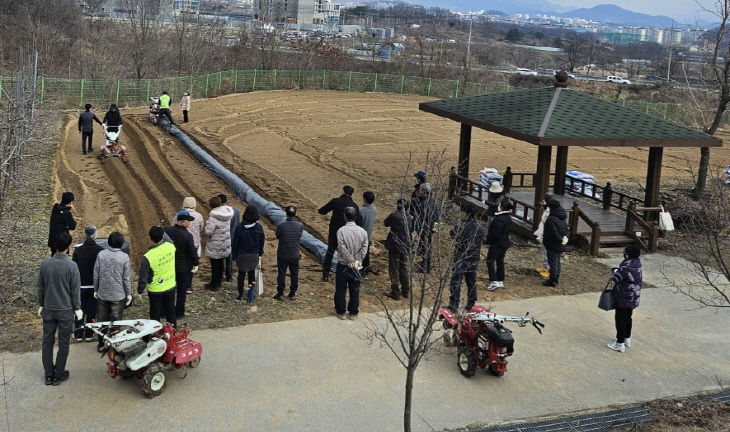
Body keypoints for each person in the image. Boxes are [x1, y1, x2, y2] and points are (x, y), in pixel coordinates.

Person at [38, 233, 82, 386]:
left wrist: (41, 304)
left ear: (55, 246)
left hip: (49, 309)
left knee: (47, 342)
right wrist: (77, 308)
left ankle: (48, 375)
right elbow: (75, 291)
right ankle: (59, 375)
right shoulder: (72, 266)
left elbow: (41, 287)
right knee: (63, 343)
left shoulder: (45, 264)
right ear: (68, 247)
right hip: (65, 311)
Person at [93, 231, 132, 351]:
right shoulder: (124, 257)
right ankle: (114, 345)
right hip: (118, 295)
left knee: (102, 320)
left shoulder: (101, 254)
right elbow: (126, 278)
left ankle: (101, 344)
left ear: (108, 242)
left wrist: (96, 289)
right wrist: (129, 293)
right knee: (116, 321)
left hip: (103, 293)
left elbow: (96, 274)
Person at [318, 185, 360, 282]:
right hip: (347, 233)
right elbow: (359, 221)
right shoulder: (354, 206)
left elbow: (322, 211)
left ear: (343, 191)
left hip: (334, 231)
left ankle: (325, 274)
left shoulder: (335, 201)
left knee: (330, 252)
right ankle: (357, 272)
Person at [447, 205, 485, 311]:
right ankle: (471, 303)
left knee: (456, 282)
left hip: (461, 258)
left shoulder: (461, 227)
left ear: (467, 214)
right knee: (471, 282)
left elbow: (453, 234)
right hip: (474, 258)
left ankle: (454, 304)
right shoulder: (480, 228)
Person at [138, 226, 177, 327]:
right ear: (162, 237)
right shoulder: (171, 247)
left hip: (155, 290)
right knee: (170, 311)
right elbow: (169, 239)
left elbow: (143, 276)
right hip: (170, 286)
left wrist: (140, 290)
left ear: (150, 238)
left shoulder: (148, 256)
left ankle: (155, 335)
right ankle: (173, 332)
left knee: (155, 314)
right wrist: (161, 230)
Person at [334, 207, 368, 320]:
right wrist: (357, 261)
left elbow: (342, 249)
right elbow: (364, 248)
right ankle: (353, 312)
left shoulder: (341, 231)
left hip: (343, 263)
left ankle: (341, 311)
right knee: (355, 289)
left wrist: (351, 261)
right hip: (357, 264)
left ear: (345, 216)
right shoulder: (363, 231)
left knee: (340, 288)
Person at [607, 245, 642, 353]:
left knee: (620, 319)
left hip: (623, 297)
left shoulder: (625, 267)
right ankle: (627, 339)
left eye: (625, 251)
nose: (623, 253)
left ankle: (619, 343)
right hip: (633, 297)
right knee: (628, 318)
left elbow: (615, 279)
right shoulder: (637, 264)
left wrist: (607, 290)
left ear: (628, 254)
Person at [164, 211, 199, 318]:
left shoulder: (166, 230)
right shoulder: (187, 235)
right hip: (183, 267)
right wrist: (196, 263)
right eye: (188, 221)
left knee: (168, 289)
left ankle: (165, 311)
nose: (190, 223)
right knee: (181, 290)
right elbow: (192, 252)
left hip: (169, 265)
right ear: (183, 222)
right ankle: (179, 313)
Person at [72, 225, 104, 342]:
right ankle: (90, 334)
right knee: (92, 311)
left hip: (80, 285)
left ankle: (78, 334)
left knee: (80, 310)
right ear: (95, 235)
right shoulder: (100, 251)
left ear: (84, 235)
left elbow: (74, 268)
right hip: (94, 286)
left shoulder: (78, 250)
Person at [232, 206, 265, 304]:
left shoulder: (239, 227)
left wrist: (234, 255)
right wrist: (260, 252)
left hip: (242, 255)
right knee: (251, 274)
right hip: (253, 255)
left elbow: (235, 243)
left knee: (241, 275)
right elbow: (261, 241)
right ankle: (251, 295)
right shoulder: (258, 227)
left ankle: (240, 294)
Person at [383, 199, 413, 301]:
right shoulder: (410, 217)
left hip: (395, 245)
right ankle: (405, 291)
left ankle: (395, 292)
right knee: (403, 268)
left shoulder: (394, 215)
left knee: (394, 269)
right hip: (405, 245)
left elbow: (385, 223)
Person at [274, 205, 303, 301]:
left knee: (281, 273)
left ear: (286, 213)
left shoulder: (281, 226)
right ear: (295, 214)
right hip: (294, 253)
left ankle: (280, 293)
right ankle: (292, 293)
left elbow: (278, 236)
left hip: (283, 253)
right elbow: (299, 236)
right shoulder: (300, 225)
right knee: (294, 274)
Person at [204, 196, 233, 291]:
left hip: (215, 245)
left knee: (215, 265)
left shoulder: (213, 217)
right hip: (224, 243)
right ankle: (219, 281)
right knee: (220, 264)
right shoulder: (227, 213)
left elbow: (208, 232)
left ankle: (214, 284)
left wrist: (207, 225)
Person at [541, 195, 570, 287]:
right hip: (561, 243)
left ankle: (553, 280)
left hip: (553, 243)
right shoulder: (562, 217)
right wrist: (564, 238)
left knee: (553, 262)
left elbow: (553, 232)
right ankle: (555, 277)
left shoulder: (551, 219)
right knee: (557, 261)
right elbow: (565, 229)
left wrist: (559, 239)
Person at [485, 201, 513, 291]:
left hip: (497, 243)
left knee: (490, 261)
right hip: (504, 242)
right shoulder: (508, 217)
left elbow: (495, 233)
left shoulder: (499, 219)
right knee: (500, 260)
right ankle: (500, 280)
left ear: (502, 207)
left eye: (499, 205)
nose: (498, 206)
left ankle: (494, 281)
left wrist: (487, 241)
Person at [412, 183, 438, 273]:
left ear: (424, 191)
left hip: (425, 228)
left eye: (420, 189)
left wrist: (417, 227)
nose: (419, 191)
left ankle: (426, 267)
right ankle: (425, 263)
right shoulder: (432, 201)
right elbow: (436, 215)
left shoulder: (423, 203)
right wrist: (435, 228)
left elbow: (420, 217)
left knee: (425, 247)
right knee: (426, 246)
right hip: (430, 228)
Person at [48, 192, 77, 256]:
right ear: (70, 202)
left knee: (53, 256)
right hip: (62, 241)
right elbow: (72, 226)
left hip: (53, 240)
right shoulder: (66, 212)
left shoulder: (55, 209)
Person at [218, 193, 240, 283]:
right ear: (227, 201)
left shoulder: (217, 212)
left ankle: (220, 275)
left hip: (221, 237)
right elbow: (238, 224)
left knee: (219, 257)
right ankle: (229, 275)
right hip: (232, 236)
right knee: (229, 257)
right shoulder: (235, 210)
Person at [180, 196, 205, 263]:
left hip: (182, 243)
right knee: (193, 259)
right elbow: (201, 228)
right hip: (195, 242)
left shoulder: (179, 215)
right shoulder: (199, 216)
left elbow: (174, 227)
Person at [360, 191, 378, 275]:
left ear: (364, 199)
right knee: (366, 253)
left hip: (360, 236)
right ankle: (366, 268)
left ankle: (359, 269)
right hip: (369, 235)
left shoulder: (361, 210)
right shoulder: (374, 209)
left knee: (358, 254)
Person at [533, 200, 551, 279]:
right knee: (544, 251)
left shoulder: (550, 213)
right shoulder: (546, 211)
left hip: (547, 235)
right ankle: (546, 267)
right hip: (543, 233)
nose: (542, 205)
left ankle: (549, 270)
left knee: (547, 252)